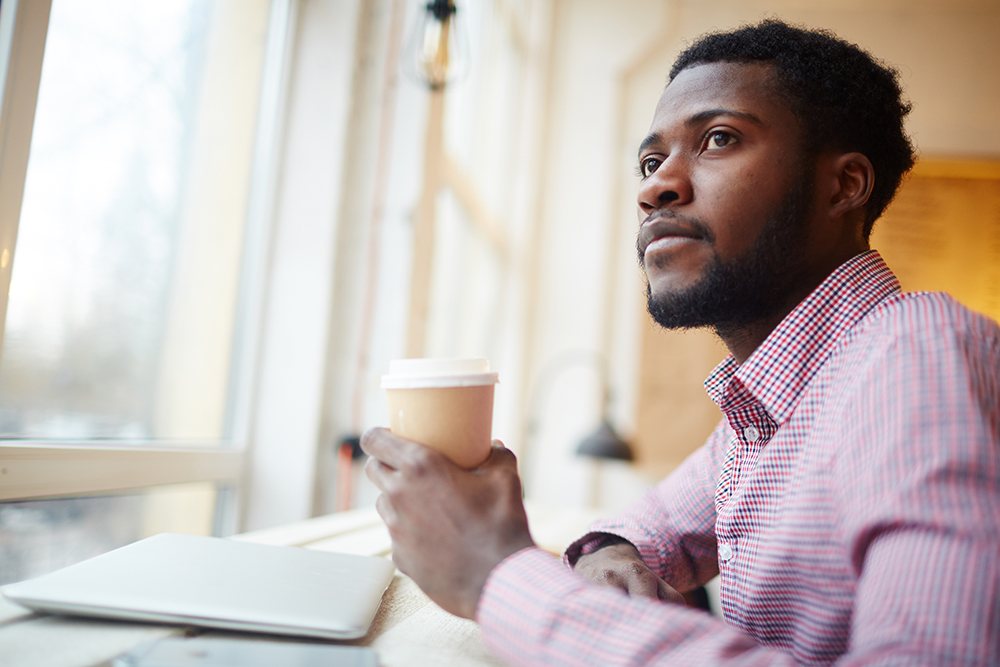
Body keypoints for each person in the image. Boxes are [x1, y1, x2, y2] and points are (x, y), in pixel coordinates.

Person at [362, 19, 1000, 665]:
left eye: (718, 139)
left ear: (844, 185)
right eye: (649, 160)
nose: (653, 187)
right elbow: (648, 523)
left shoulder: (913, 355)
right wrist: (611, 550)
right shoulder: (772, 404)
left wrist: (494, 574)